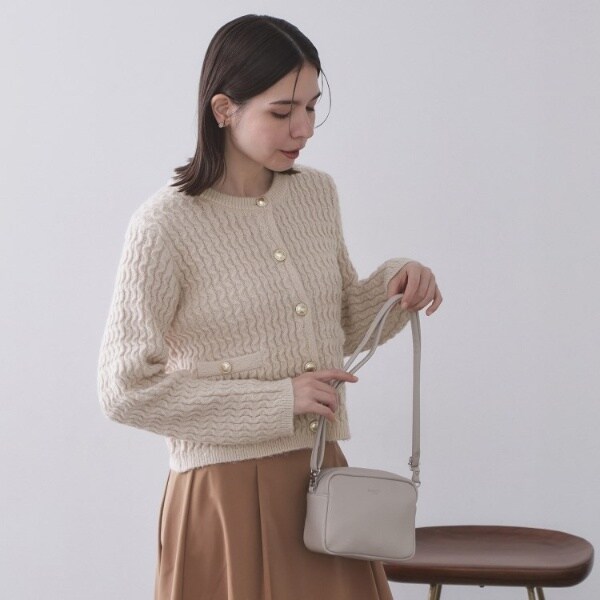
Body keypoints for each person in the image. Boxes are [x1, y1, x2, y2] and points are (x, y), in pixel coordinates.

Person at [97, 13, 442, 600]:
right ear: (223, 109)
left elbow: (339, 324)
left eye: (311, 107)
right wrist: (277, 401)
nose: (303, 128)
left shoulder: (316, 194)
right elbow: (124, 389)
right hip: (222, 493)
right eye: (282, 112)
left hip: (320, 478)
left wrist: (395, 286)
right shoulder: (165, 225)